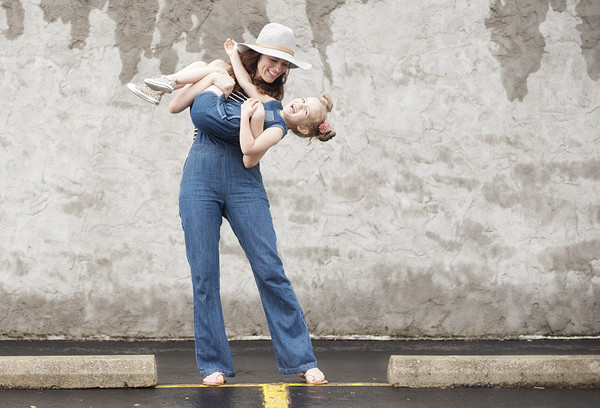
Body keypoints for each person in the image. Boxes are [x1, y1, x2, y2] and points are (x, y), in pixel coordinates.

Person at [164, 23, 332, 386]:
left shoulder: (274, 102)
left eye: (285, 65)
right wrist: (213, 77)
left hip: (245, 184)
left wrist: (222, 105)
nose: (278, 68)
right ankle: (213, 365)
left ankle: (302, 359)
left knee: (270, 269)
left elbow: (219, 123)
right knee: (204, 275)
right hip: (200, 175)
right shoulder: (224, 71)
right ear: (258, 53)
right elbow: (181, 107)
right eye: (274, 59)